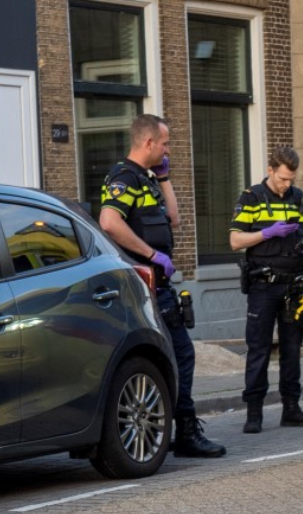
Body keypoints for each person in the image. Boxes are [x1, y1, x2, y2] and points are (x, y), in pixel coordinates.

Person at [96, 113, 225, 458]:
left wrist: (165, 178)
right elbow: (109, 222)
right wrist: (151, 252)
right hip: (143, 287)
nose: (168, 149)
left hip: (160, 285)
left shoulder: (147, 179)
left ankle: (172, 428)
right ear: (149, 142)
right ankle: (184, 430)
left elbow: (175, 218)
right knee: (180, 353)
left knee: (174, 355)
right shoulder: (124, 177)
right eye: (165, 143)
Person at [229, 146, 303, 431]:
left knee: (292, 349)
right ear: (270, 170)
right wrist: (266, 233)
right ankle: (254, 413)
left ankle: (291, 408)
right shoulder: (252, 197)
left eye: (291, 179)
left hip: (293, 285)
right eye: (282, 178)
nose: (287, 185)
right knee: (258, 349)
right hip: (264, 285)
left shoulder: (298, 198)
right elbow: (235, 240)